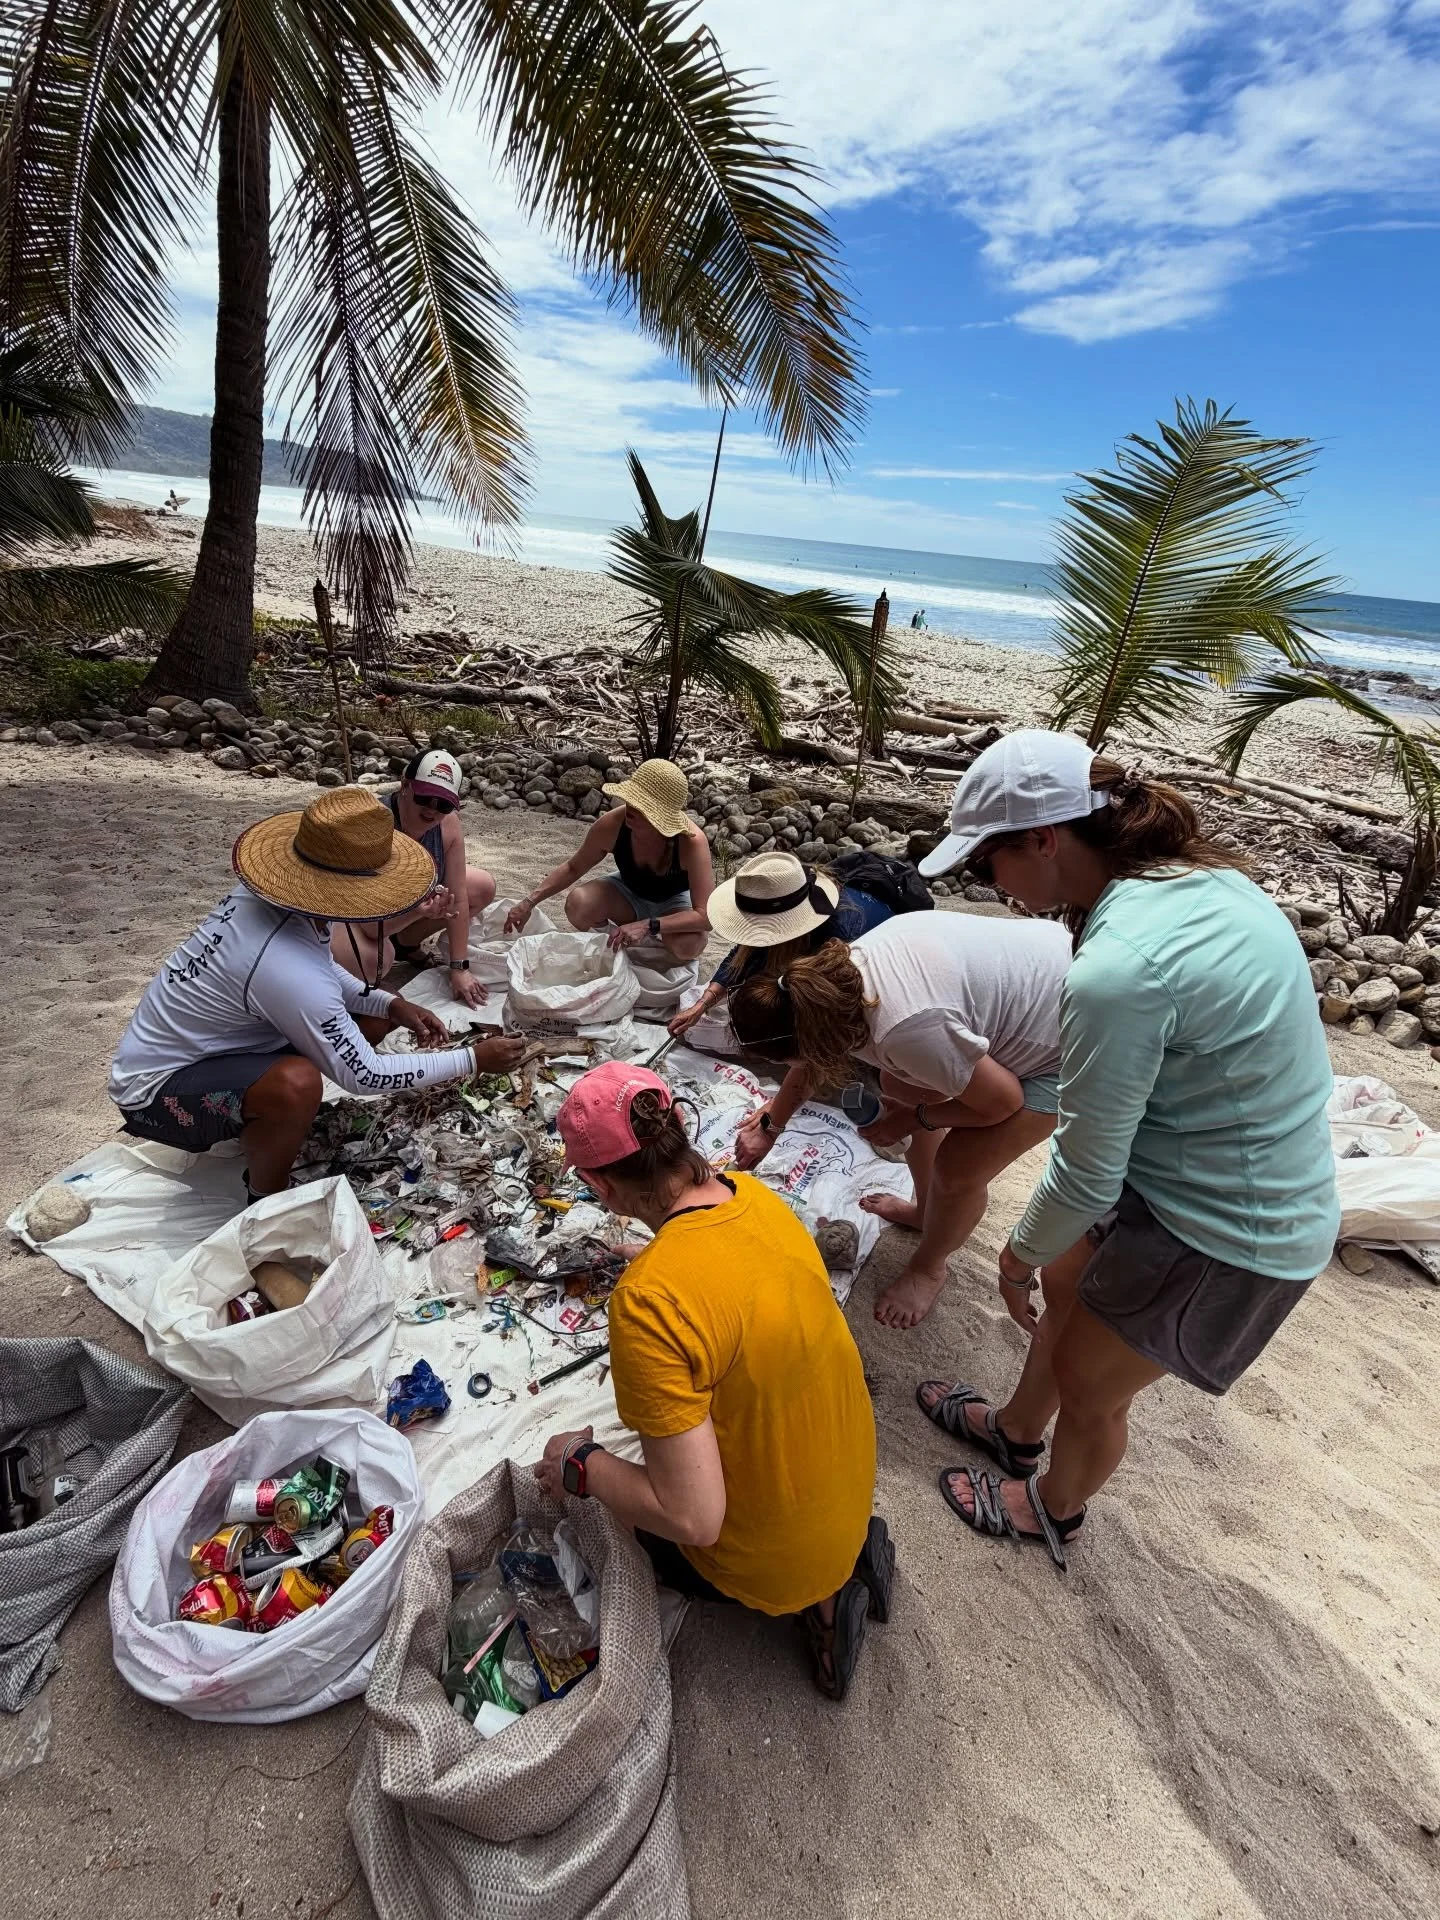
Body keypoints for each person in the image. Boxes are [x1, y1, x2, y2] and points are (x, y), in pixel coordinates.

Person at [912, 730, 1339, 1566]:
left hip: (1230, 1229)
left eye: (984, 863)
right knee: (1069, 1290)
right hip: (1191, 1164)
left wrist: (1014, 1254)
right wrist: (1049, 1255)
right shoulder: (1197, 878)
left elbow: (1085, 1164)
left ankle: (1050, 1508)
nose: (989, 886)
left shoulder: (1121, 969)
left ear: (1043, 839)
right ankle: (1013, 1432)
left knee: (1091, 1384)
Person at [532, 1062, 891, 1700]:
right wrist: (662, 1257)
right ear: (676, 1125)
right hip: (851, 1486)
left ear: (597, 1187)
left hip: (778, 1558)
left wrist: (578, 1462)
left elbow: (693, 1518)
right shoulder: (754, 1198)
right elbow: (729, 1270)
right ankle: (842, 1567)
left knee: (627, 1523)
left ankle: (817, 1603)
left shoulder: (647, 1304)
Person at [109, 789, 524, 1202]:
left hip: (225, 1045)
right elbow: (364, 1076)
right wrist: (473, 1060)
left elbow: (322, 969)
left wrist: (390, 1003)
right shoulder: (283, 967)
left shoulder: (279, 904)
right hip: (155, 1091)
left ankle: (265, 1119)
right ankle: (263, 1198)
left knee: (379, 1010)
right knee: (297, 1084)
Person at [727, 911, 1070, 1329]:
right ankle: (926, 1210)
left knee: (959, 1168)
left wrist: (914, 1119)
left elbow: (1003, 1103)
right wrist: (772, 1127)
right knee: (898, 1081)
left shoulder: (905, 1030)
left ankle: (930, 1266)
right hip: (1042, 974)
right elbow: (808, 1061)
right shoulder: (828, 985)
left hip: (1071, 1039)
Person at [667, 851, 894, 1041]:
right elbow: (744, 956)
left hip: (872, 959)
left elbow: (836, 1007)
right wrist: (703, 1003)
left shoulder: (838, 938)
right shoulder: (784, 901)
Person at [504, 758, 713, 964]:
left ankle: (646, 934)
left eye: (643, 806)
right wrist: (528, 902)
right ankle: (621, 940)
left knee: (689, 945)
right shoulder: (613, 824)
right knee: (579, 904)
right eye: (632, 799)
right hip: (628, 894)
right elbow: (573, 867)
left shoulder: (691, 843)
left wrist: (650, 925)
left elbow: (706, 916)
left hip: (673, 903)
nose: (632, 807)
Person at [330, 750, 495, 1007]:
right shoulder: (374, 823)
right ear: (405, 785)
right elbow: (368, 924)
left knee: (482, 887)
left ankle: (408, 941)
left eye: (443, 804)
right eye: (425, 798)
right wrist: (416, 911)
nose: (432, 810)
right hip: (356, 914)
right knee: (375, 961)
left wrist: (459, 967)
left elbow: (458, 898)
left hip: (409, 905)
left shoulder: (447, 824)